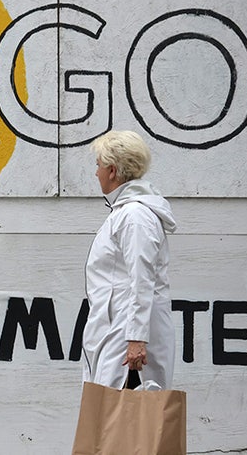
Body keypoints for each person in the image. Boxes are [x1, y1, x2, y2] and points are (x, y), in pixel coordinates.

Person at [82, 130, 176, 390]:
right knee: (117, 420)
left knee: (126, 421)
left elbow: (141, 278)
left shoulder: (134, 215)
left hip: (127, 346)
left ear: (112, 171)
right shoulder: (126, 212)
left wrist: (136, 339)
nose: (96, 172)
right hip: (119, 335)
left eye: (98, 165)